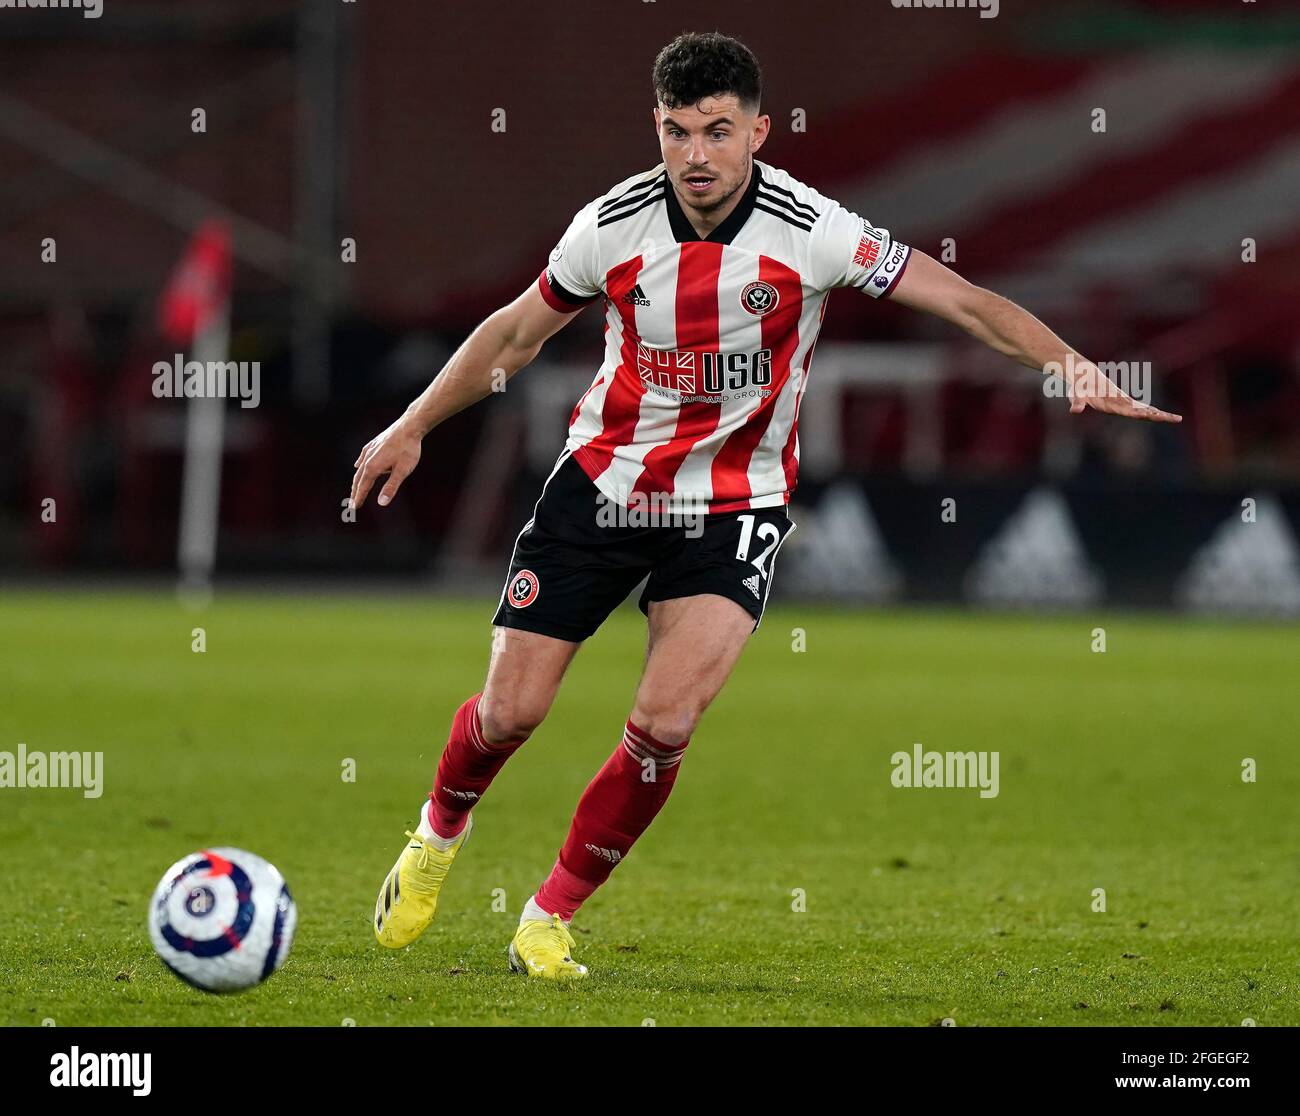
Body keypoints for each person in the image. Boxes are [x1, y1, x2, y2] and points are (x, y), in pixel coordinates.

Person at [350, 31, 1180, 980]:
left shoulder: (814, 230)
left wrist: (1066, 363)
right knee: (510, 713)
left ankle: (548, 917)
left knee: (664, 726)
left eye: (716, 132)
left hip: (735, 505)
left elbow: (962, 302)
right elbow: (511, 338)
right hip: (605, 485)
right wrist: (411, 424)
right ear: (655, 130)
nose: (695, 155)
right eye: (676, 133)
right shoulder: (611, 227)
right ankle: (438, 833)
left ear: (758, 131)